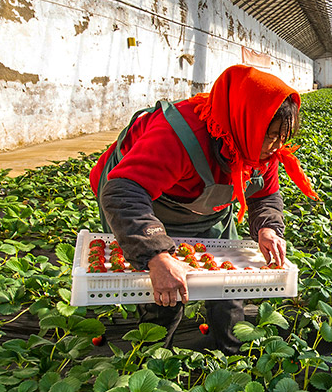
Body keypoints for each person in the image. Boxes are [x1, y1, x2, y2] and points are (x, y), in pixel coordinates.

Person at [90, 64, 318, 351]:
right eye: (270, 135)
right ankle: (153, 359)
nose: (276, 146)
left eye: (282, 137)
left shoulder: (257, 146)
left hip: (205, 207)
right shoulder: (179, 136)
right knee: (165, 291)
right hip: (150, 204)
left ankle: (231, 354)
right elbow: (123, 191)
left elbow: (265, 194)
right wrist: (157, 254)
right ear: (245, 120)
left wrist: (269, 227)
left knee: (229, 287)